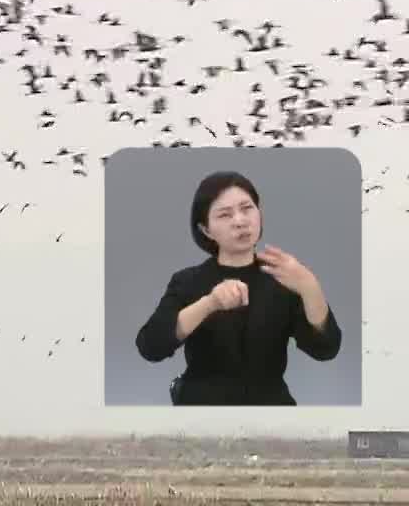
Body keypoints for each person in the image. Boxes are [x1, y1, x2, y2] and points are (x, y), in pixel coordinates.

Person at [134, 170, 341, 404]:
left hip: (271, 413)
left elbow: (325, 349)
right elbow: (150, 346)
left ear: (259, 213)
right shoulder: (188, 281)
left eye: (247, 208)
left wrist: (309, 286)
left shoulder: (283, 277)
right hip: (201, 413)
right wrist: (209, 304)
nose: (240, 221)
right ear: (206, 230)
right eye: (224, 215)